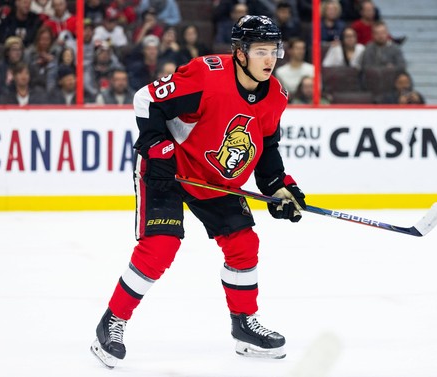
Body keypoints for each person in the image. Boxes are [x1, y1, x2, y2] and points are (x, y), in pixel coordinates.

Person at [90, 15, 306, 368]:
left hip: (216, 180)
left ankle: (243, 325)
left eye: (274, 51)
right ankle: (112, 321)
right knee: (161, 246)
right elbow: (146, 100)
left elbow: (265, 148)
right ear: (239, 52)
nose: (269, 59)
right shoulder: (206, 75)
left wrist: (281, 186)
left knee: (243, 243)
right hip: (170, 172)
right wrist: (159, 151)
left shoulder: (276, 95)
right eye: (260, 51)